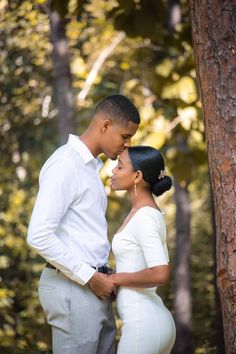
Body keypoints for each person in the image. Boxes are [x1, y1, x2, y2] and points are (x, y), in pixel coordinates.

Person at [27, 94, 140, 354]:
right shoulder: (66, 164)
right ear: (105, 125)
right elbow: (38, 235)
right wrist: (90, 276)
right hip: (73, 287)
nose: (127, 145)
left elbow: (82, 234)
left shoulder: (89, 168)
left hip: (94, 286)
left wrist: (102, 274)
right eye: (125, 136)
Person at [110, 146, 176, 354]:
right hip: (149, 321)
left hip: (143, 325)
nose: (113, 171)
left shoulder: (145, 216)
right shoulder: (142, 212)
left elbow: (160, 272)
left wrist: (115, 279)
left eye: (120, 167)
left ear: (137, 176)